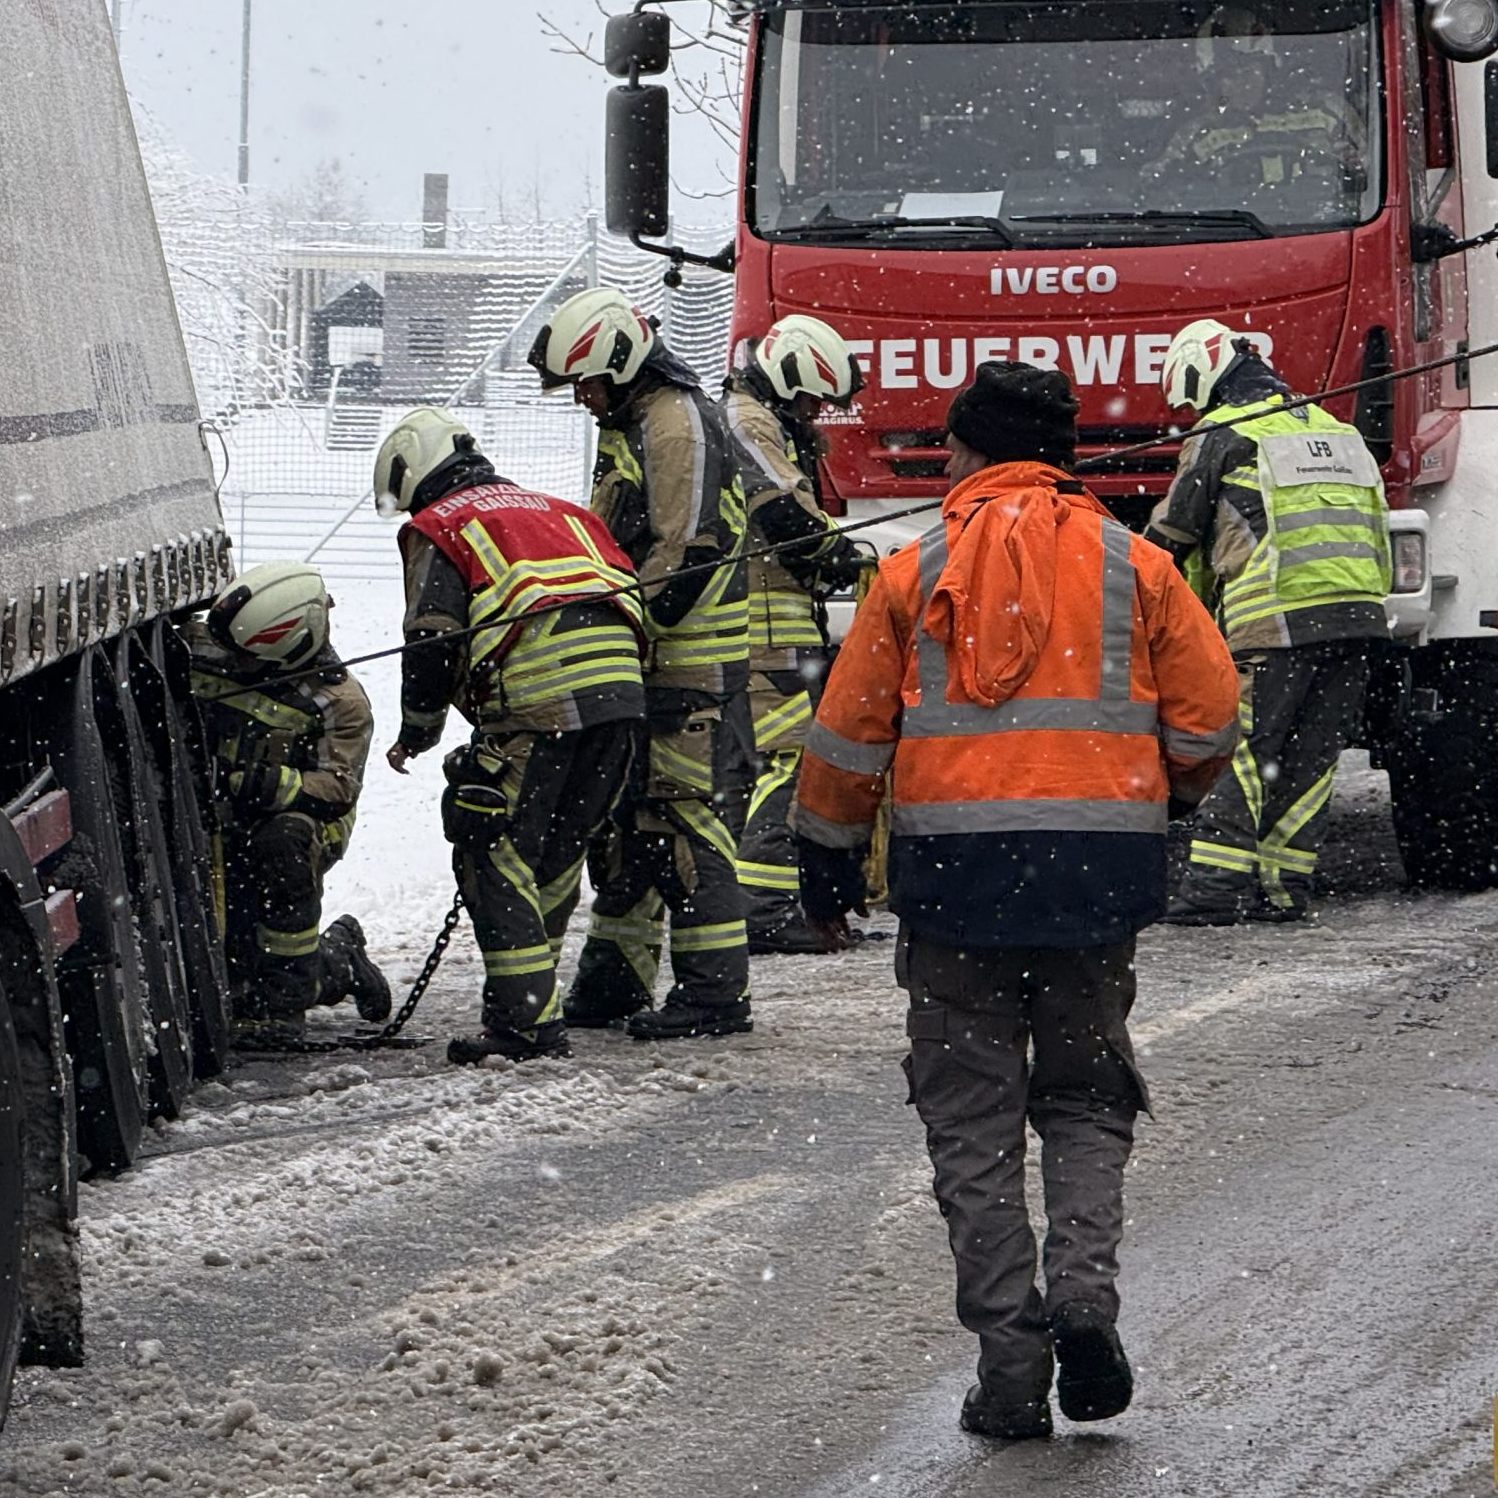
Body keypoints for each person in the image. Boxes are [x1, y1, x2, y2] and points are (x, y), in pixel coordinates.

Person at [793, 361, 1240, 1439]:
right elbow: (1210, 716)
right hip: (1096, 882)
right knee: (1085, 1098)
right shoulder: (1138, 566)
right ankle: (1083, 1296)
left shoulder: (910, 572)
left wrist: (826, 860)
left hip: (956, 889)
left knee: (972, 1125)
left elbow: (847, 739)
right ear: (1064, 454)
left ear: (966, 449)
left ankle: (1009, 1369)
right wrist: (1163, 798)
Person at [375, 407, 648, 1064]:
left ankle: (525, 1024)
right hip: (621, 698)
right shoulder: (563, 511)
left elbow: (434, 635)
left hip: (539, 700)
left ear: (413, 472)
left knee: (492, 850)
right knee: (554, 853)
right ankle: (530, 1004)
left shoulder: (441, 524)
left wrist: (418, 730)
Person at [528, 286, 755, 1041]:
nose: (582, 398)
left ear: (620, 364)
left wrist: (625, 627)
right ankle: (615, 980)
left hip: (686, 664)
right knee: (633, 825)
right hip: (658, 659)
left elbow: (686, 550)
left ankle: (715, 995)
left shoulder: (675, 424)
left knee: (683, 825)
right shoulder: (638, 420)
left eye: (586, 382)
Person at [1146, 319, 1392, 923]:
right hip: (1359, 617)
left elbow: (1172, 533)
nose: (1191, 414)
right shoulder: (1337, 430)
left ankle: (1213, 890)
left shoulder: (1223, 432)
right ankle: (1284, 890)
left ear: (1199, 373)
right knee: (1311, 761)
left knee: (1245, 753)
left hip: (1275, 622)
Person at [187, 562, 390, 1044]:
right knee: (238, 966)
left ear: (287, 649)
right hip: (220, 814)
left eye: (244, 660)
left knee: (282, 844)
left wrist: (265, 784)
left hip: (303, 823)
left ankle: (288, 1000)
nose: (229, 663)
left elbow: (338, 788)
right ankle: (328, 961)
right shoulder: (209, 645)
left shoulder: (340, 702)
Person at [721, 315, 868, 953]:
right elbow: (783, 514)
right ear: (786, 381)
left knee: (752, 769)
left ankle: (746, 904)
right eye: (811, 400)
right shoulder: (748, 423)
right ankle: (763, 909)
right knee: (788, 763)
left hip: (769, 627)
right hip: (764, 630)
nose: (816, 413)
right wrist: (842, 554)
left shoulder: (762, 420)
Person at [1150, 6, 1366, 199]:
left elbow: (1372, 170)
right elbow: (1156, 186)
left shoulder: (1326, 113)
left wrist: (1351, 165)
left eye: (1248, 71)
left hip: (1326, 223)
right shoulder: (1199, 134)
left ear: (1270, 70)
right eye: (1228, 75)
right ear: (1212, 83)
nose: (1241, 84)